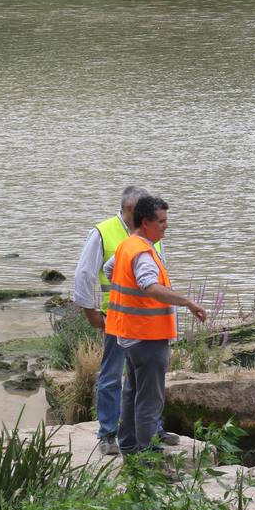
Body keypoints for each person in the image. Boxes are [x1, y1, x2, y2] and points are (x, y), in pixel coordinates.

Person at [74, 185, 175, 454]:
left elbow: (158, 271)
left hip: (145, 324)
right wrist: (90, 310)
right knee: (112, 375)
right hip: (116, 318)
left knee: (141, 381)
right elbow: (85, 273)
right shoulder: (104, 232)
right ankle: (108, 433)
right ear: (132, 209)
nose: (158, 221)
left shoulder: (149, 232)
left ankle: (152, 430)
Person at [103, 194, 207, 456]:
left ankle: (128, 447)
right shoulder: (143, 252)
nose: (166, 226)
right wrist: (187, 302)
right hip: (147, 336)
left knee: (132, 392)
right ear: (146, 222)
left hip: (128, 333)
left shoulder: (127, 245)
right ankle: (148, 458)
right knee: (149, 399)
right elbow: (149, 286)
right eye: (161, 221)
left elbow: (109, 270)